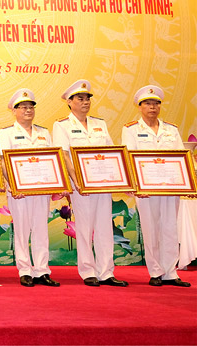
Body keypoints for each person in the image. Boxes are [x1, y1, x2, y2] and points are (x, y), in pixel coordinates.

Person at [52, 80, 128, 287]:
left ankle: (106, 272)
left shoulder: (99, 124)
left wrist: (119, 179)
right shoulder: (62, 125)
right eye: (80, 99)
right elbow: (64, 155)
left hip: (102, 183)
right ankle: (88, 271)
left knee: (105, 227)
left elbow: (112, 153)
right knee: (84, 228)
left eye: (87, 99)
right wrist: (76, 180)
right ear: (69, 102)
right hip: (80, 186)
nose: (85, 102)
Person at [121, 85, 190, 287]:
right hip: (146, 190)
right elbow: (128, 158)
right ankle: (155, 271)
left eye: (156, 103)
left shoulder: (171, 130)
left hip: (170, 187)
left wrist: (185, 183)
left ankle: (171, 272)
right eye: (148, 103)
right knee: (151, 229)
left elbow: (180, 158)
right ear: (139, 106)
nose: (152, 107)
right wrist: (135, 185)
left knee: (170, 228)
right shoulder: (131, 129)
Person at [0, 88, 60, 287]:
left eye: (30, 107)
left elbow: (52, 160)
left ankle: (42, 270)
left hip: (41, 189)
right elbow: (2, 161)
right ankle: (25, 270)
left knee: (41, 229)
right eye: (22, 107)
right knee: (22, 230)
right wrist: (13, 185)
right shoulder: (6, 133)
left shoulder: (44, 133)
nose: (28, 110)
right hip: (19, 192)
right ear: (14, 111)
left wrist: (55, 183)